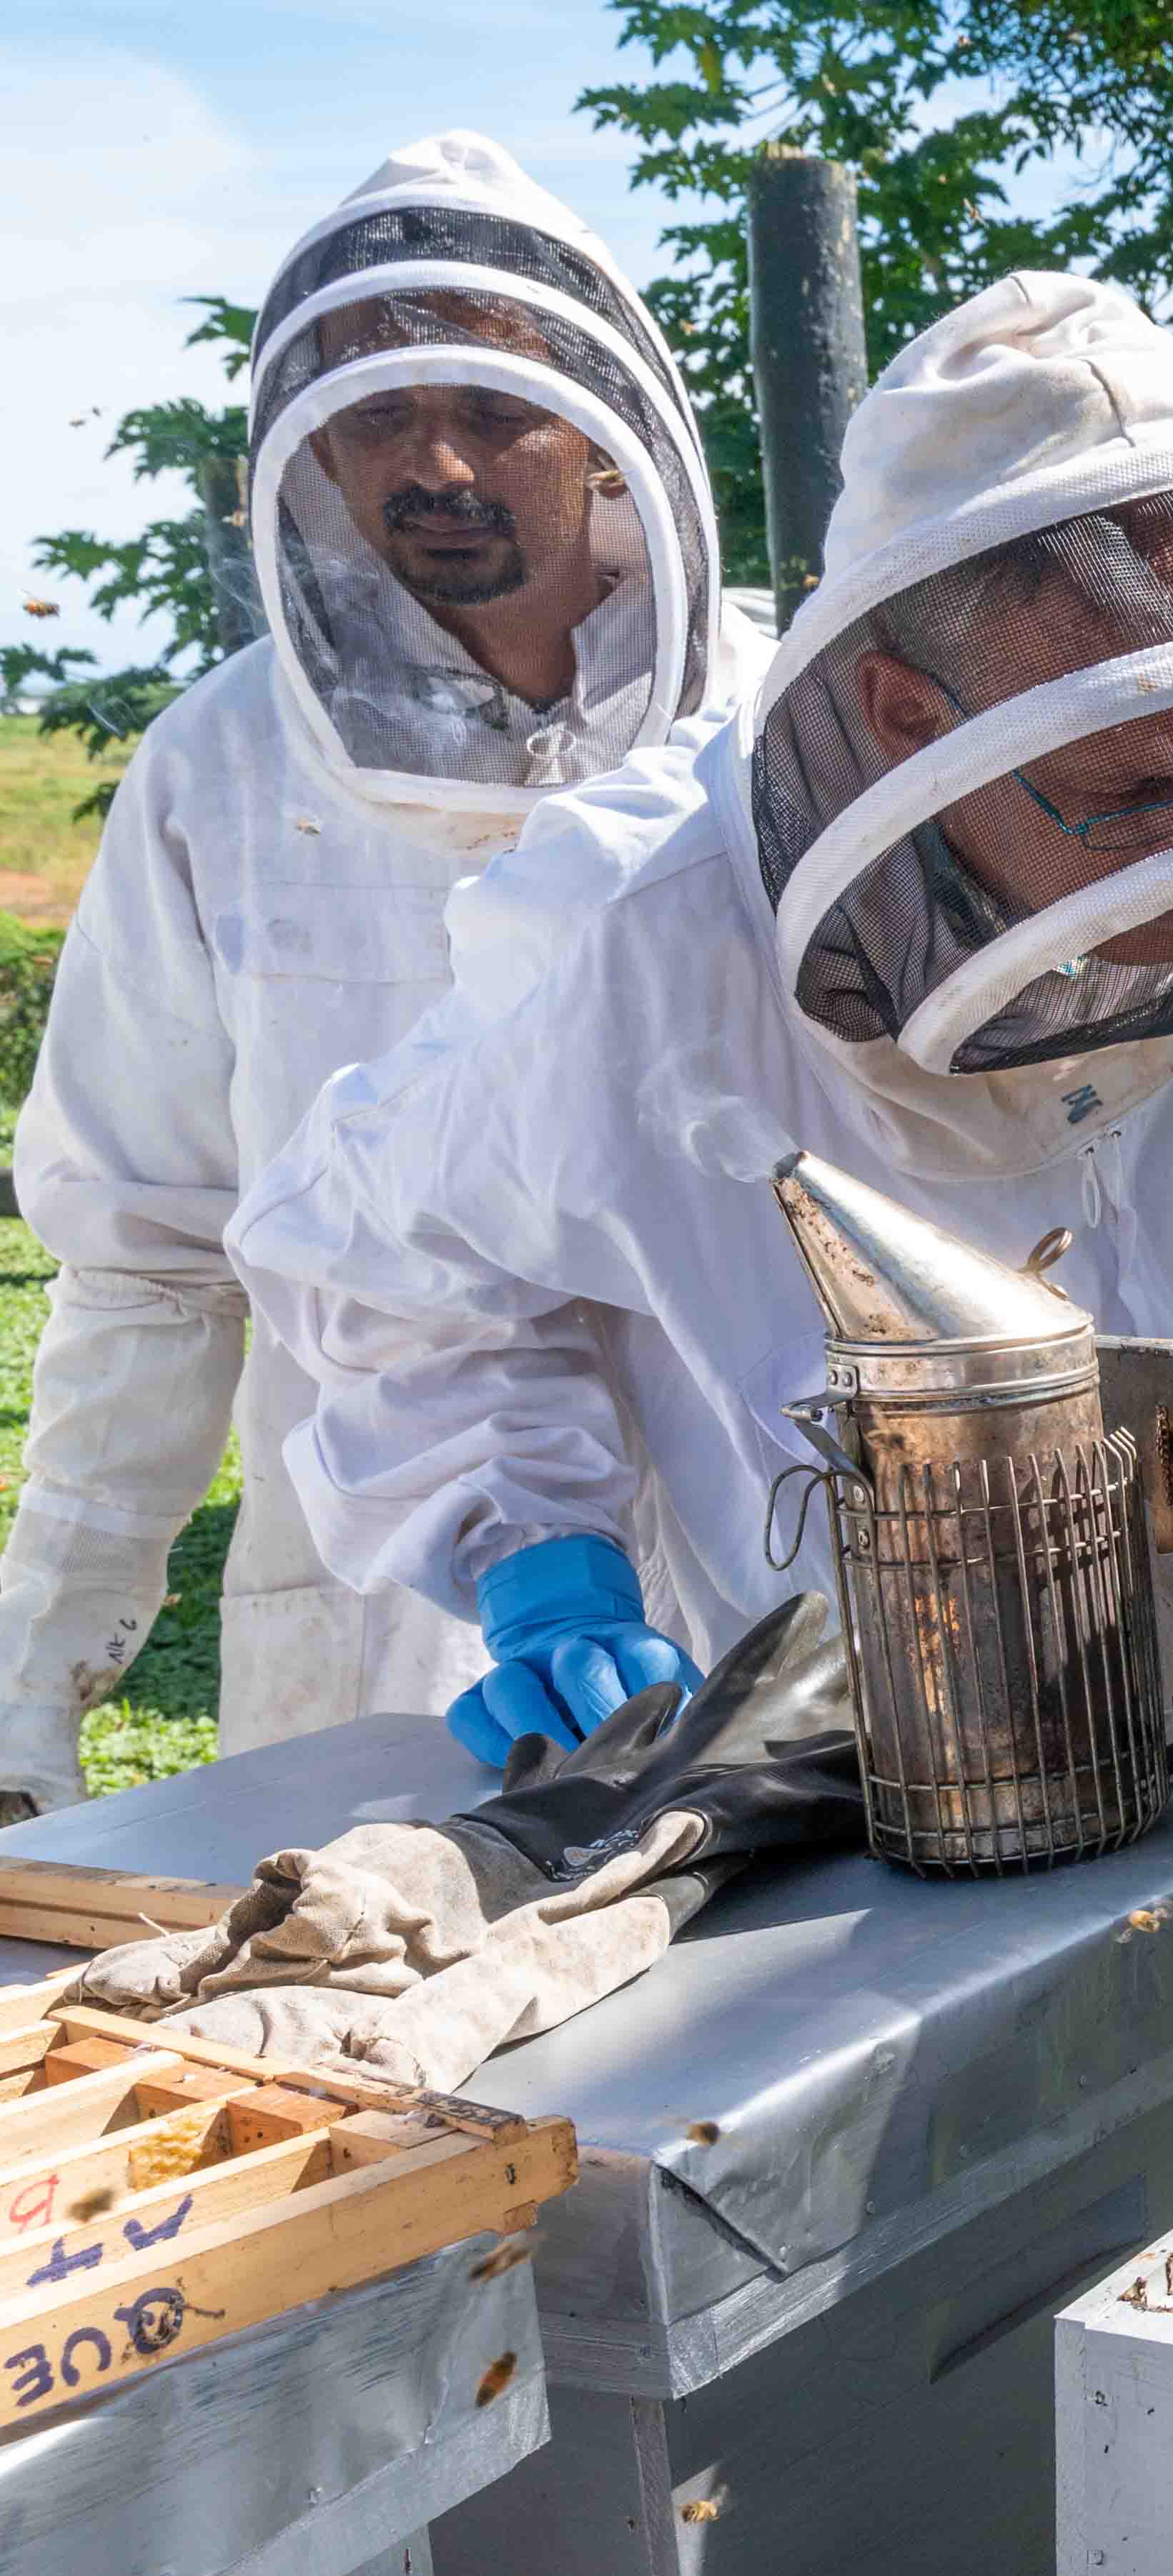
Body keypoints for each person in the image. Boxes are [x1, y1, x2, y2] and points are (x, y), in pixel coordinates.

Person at [232, 273, 1173, 1763]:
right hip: (816, 1720)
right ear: (908, 718)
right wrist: (542, 1560)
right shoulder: (642, 938)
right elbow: (372, 1246)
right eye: (1132, 797)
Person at [0, 131, 755, 1820]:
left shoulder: (776, 735)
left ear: (604, 430)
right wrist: (33, 1673)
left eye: (493, 409)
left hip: (758, 1574)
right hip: (371, 1630)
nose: (434, 464)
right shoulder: (219, 769)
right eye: (371, 415)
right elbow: (145, 1254)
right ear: (307, 456)